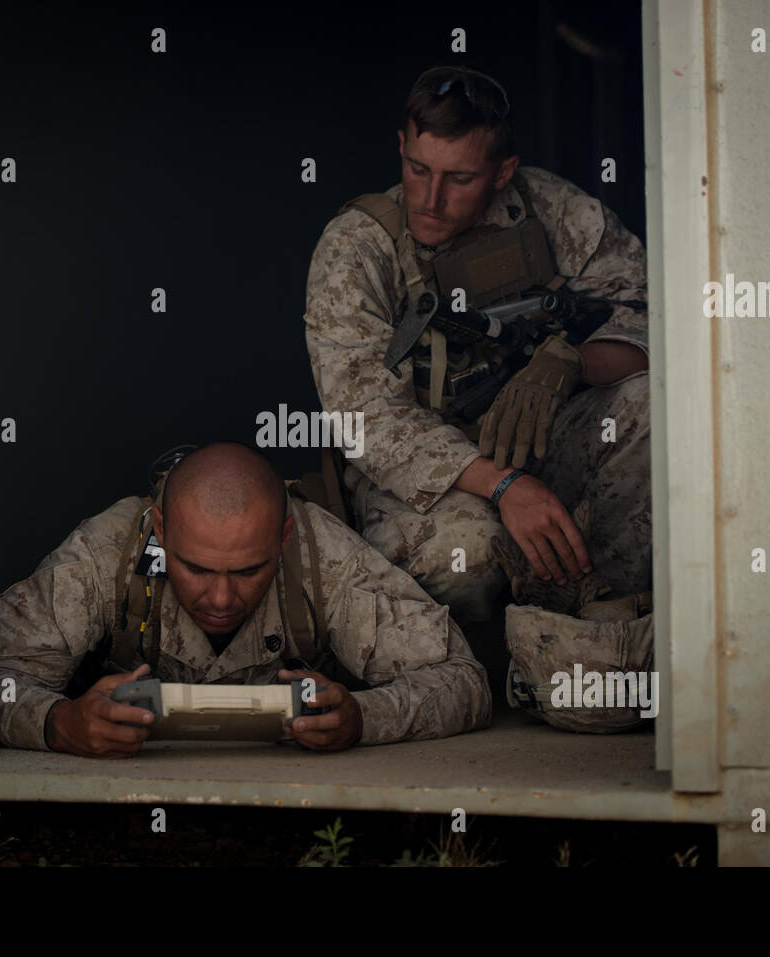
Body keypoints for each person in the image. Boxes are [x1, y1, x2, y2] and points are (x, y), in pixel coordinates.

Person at [303, 65, 653, 729]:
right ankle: (479, 674)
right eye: (417, 168)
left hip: (543, 442)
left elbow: (652, 318)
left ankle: (599, 630)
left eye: (460, 178)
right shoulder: (358, 247)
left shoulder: (550, 211)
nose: (432, 198)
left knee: (647, 410)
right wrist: (504, 486)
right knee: (465, 551)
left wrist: (573, 363)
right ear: (400, 146)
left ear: (501, 172)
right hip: (422, 477)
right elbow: (364, 420)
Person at [0, 442, 491, 757]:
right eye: (197, 568)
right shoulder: (108, 552)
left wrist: (363, 718)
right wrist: (57, 724)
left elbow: (465, 682)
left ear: (284, 537)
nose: (222, 598)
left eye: (250, 570)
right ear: (161, 529)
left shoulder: (324, 553)